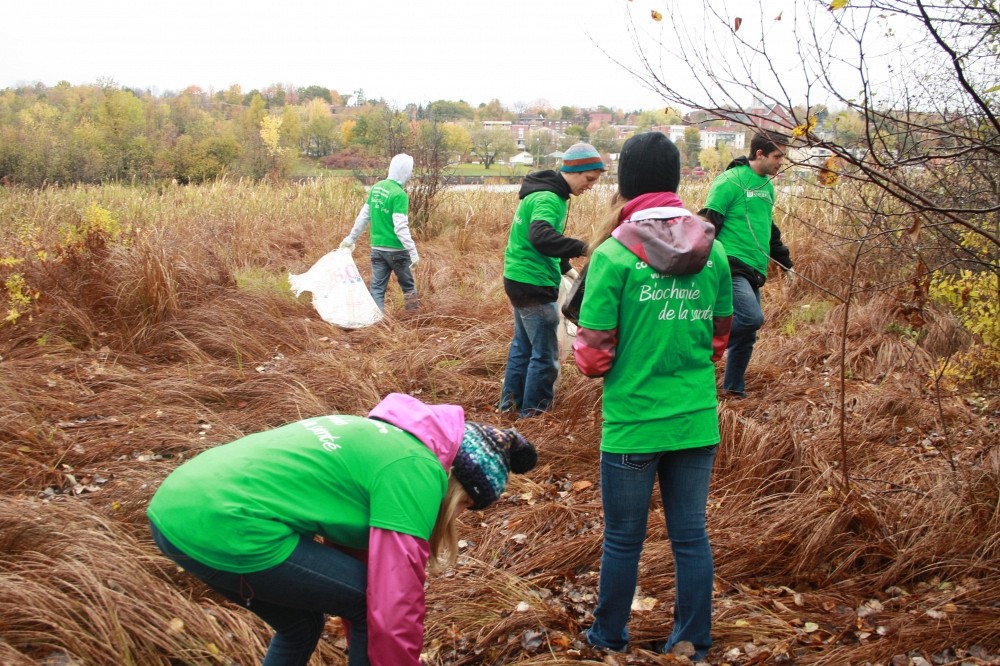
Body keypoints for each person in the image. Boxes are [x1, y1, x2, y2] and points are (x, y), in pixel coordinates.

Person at [147, 393, 537, 666]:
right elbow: (392, 598)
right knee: (368, 604)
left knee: (301, 625)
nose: (460, 513)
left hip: (176, 508)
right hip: (227, 524)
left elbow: (361, 558)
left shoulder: (380, 438)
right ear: (457, 481)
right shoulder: (415, 470)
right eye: (467, 503)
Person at [574, 132, 733, 660]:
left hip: (633, 423)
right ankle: (693, 641)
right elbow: (719, 336)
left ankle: (608, 637)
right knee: (691, 536)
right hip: (694, 418)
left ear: (626, 184)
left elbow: (593, 358)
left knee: (624, 539)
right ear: (676, 180)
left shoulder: (613, 256)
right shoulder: (716, 252)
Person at [499, 142, 606, 418]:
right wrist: (586, 247)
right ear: (574, 171)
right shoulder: (549, 198)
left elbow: (540, 242)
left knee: (523, 347)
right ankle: (534, 415)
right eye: (589, 179)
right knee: (545, 357)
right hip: (534, 284)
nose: (590, 186)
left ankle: (509, 406)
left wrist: (566, 267)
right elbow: (541, 237)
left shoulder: (542, 193)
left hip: (518, 279)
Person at [698, 131, 794, 397]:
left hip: (754, 269)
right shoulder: (730, 181)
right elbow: (708, 220)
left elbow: (769, 228)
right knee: (751, 318)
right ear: (760, 154)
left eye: (783, 157)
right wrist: (697, 262)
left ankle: (732, 390)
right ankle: (696, 350)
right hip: (730, 264)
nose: (781, 162)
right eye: (777, 156)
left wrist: (785, 262)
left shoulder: (768, 187)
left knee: (747, 333)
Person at [340, 153, 420, 312]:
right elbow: (400, 227)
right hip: (398, 251)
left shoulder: (376, 188)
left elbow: (363, 217)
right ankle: (414, 320)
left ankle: (377, 324)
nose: (411, 174)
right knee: (408, 287)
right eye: (410, 170)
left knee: (377, 288)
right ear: (404, 171)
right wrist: (412, 251)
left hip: (377, 249)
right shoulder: (399, 195)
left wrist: (351, 238)